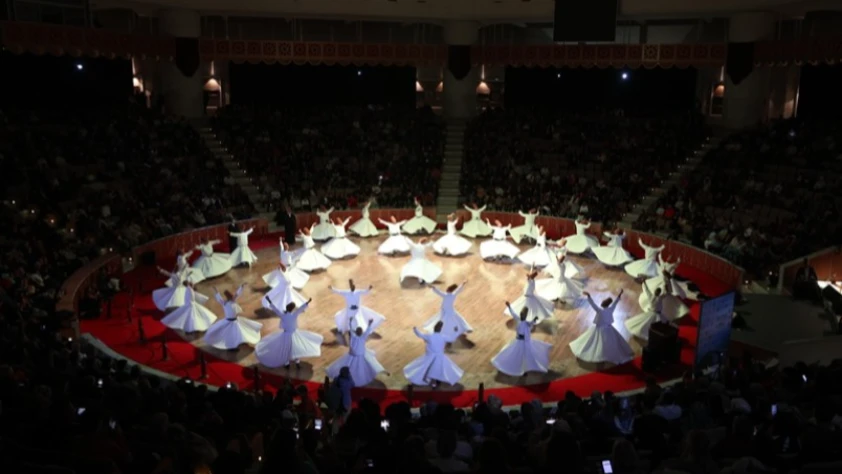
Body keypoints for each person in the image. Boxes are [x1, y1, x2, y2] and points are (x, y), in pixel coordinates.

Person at [569, 290, 635, 364]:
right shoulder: (611, 309)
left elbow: (593, 304)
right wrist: (619, 295)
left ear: (603, 304)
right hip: (609, 329)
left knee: (594, 342)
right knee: (611, 344)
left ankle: (600, 356)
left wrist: (589, 296)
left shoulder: (599, 310)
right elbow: (615, 303)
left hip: (599, 329)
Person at [256, 297, 322, 369]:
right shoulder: (294, 314)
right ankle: (297, 363)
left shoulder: (283, 315)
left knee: (286, 349)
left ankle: (287, 363)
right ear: (292, 309)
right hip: (294, 335)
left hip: (286, 335)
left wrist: (269, 301)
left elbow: (275, 310)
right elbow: (300, 309)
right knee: (295, 348)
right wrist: (307, 302)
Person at [491, 302, 551, 376]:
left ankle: (524, 369)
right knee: (518, 355)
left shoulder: (526, 322)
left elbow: (530, 324)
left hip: (525, 342)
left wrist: (534, 320)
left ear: (525, 316)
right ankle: (520, 368)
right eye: (521, 315)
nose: (522, 316)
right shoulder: (519, 320)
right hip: (520, 342)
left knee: (525, 356)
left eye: (523, 315)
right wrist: (509, 307)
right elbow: (513, 313)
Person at [326, 318, 386, 387]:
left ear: (356, 332)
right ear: (361, 332)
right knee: (361, 367)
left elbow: (352, 330)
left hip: (353, 355)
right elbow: (367, 331)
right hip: (358, 355)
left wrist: (350, 322)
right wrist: (369, 324)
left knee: (349, 366)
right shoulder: (362, 337)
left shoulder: (353, 336)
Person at [403, 322, 463, 388]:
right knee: (437, 369)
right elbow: (452, 339)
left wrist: (415, 330)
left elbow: (420, 335)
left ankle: (432, 381)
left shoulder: (430, 336)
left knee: (426, 368)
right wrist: (456, 331)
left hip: (430, 356)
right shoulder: (442, 337)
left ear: (434, 328)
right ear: (440, 329)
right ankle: (435, 381)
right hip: (439, 357)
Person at [204, 284, 263, 350]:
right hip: (229, 321)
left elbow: (237, 294)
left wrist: (241, 287)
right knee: (232, 335)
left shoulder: (231, 301)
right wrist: (215, 291)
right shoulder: (225, 303)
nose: (233, 297)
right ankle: (232, 346)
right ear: (229, 297)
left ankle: (240, 341)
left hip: (235, 321)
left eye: (232, 297)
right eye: (231, 297)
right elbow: (219, 298)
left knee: (239, 333)